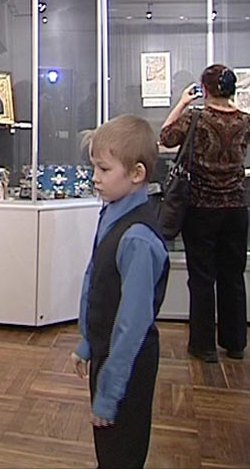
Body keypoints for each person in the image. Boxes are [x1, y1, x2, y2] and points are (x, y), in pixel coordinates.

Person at [71, 114, 170, 469]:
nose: (94, 177)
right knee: (108, 452)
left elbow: (132, 324)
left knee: (121, 455)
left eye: (104, 169)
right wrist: (88, 342)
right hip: (106, 354)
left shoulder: (138, 238)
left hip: (127, 365)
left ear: (136, 173)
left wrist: (110, 392)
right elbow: (96, 280)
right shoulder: (112, 214)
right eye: (94, 167)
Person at [160, 64, 250, 362]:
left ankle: (203, 346)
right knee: (233, 275)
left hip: (201, 208)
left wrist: (182, 102)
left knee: (202, 277)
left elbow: (166, 136)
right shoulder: (247, 121)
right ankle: (235, 342)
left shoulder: (196, 118)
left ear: (204, 89)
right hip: (236, 208)